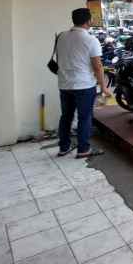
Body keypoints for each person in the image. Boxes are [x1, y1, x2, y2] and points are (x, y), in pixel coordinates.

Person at [56, 8, 112, 158]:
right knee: (85, 117)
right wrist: (104, 88)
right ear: (88, 21)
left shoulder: (61, 36)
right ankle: (83, 149)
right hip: (84, 85)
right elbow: (97, 66)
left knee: (66, 117)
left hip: (64, 84)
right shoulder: (90, 40)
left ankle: (63, 147)